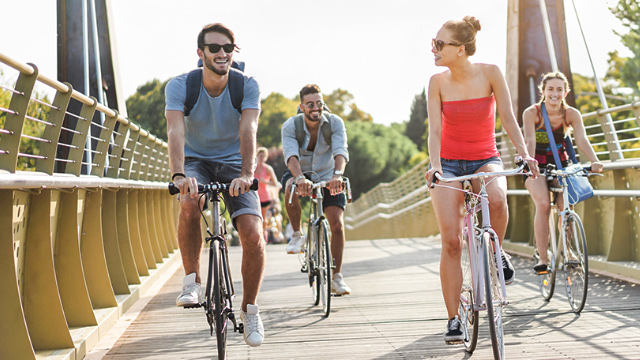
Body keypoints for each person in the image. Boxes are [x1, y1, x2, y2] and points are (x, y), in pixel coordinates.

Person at [423, 16, 540, 344]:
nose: (433, 49)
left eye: (439, 44)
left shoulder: (490, 73)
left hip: (485, 157)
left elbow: (507, 117)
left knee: (498, 200)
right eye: (434, 43)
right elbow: (434, 130)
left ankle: (496, 249)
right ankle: (453, 319)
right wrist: (435, 166)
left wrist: (524, 154)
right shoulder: (437, 82)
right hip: (448, 163)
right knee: (451, 242)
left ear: (460, 50)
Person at [164, 23, 265, 347]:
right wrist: (179, 175)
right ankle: (192, 281)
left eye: (228, 48)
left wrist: (247, 174)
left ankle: (250, 310)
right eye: (215, 48)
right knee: (190, 203)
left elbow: (248, 128)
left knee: (252, 233)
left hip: (236, 164)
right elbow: (175, 131)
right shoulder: (180, 86)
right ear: (201, 53)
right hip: (197, 162)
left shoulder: (246, 85)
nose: (222, 53)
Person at [522, 71, 604, 273]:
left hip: (561, 165)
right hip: (536, 164)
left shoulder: (571, 114)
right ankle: (543, 258)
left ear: (566, 92)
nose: (555, 94)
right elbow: (530, 141)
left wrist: (594, 160)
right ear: (543, 91)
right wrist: (531, 166)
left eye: (559, 90)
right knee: (543, 204)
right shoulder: (532, 113)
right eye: (550, 89)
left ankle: (567, 252)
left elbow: (581, 140)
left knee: (566, 207)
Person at [281, 84, 351, 295]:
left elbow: (341, 150)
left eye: (319, 103)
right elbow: (291, 155)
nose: (315, 108)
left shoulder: (335, 123)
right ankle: (296, 234)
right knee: (290, 188)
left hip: (328, 174)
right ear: (302, 107)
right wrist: (299, 178)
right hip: (300, 172)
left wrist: (337, 175)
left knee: (337, 224)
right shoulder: (290, 126)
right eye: (310, 104)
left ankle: (336, 276)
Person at [254, 147, 281, 241]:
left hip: (265, 197)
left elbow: (275, 183)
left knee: (263, 218)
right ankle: (256, 236)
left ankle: (262, 236)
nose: (261, 157)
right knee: (255, 218)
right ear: (256, 156)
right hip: (254, 197)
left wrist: (265, 182)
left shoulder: (268, 169)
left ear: (265, 157)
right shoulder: (252, 168)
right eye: (259, 155)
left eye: (263, 156)